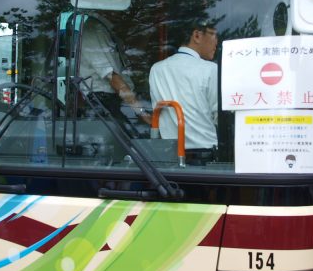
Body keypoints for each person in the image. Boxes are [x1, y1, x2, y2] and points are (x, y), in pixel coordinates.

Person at [149, 22, 219, 163]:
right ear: (197, 35)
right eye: (213, 34)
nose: (217, 42)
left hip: (167, 157)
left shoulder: (156, 69)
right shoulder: (210, 69)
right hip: (206, 157)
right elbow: (220, 118)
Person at [76, 15, 151, 126]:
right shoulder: (94, 29)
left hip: (117, 101)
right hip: (102, 102)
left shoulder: (107, 29)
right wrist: (143, 113)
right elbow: (113, 78)